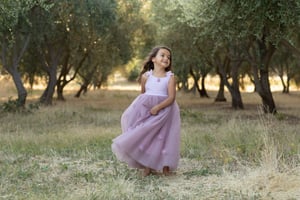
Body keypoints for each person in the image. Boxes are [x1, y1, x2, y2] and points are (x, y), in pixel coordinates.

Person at [111, 46, 181, 176]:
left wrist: (158, 107)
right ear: (153, 59)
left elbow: (171, 98)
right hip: (148, 111)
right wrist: (142, 110)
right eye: (163, 55)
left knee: (165, 137)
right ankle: (148, 166)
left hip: (165, 111)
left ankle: (166, 168)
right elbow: (143, 95)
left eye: (169, 57)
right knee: (147, 136)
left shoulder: (170, 77)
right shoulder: (146, 77)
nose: (166, 58)